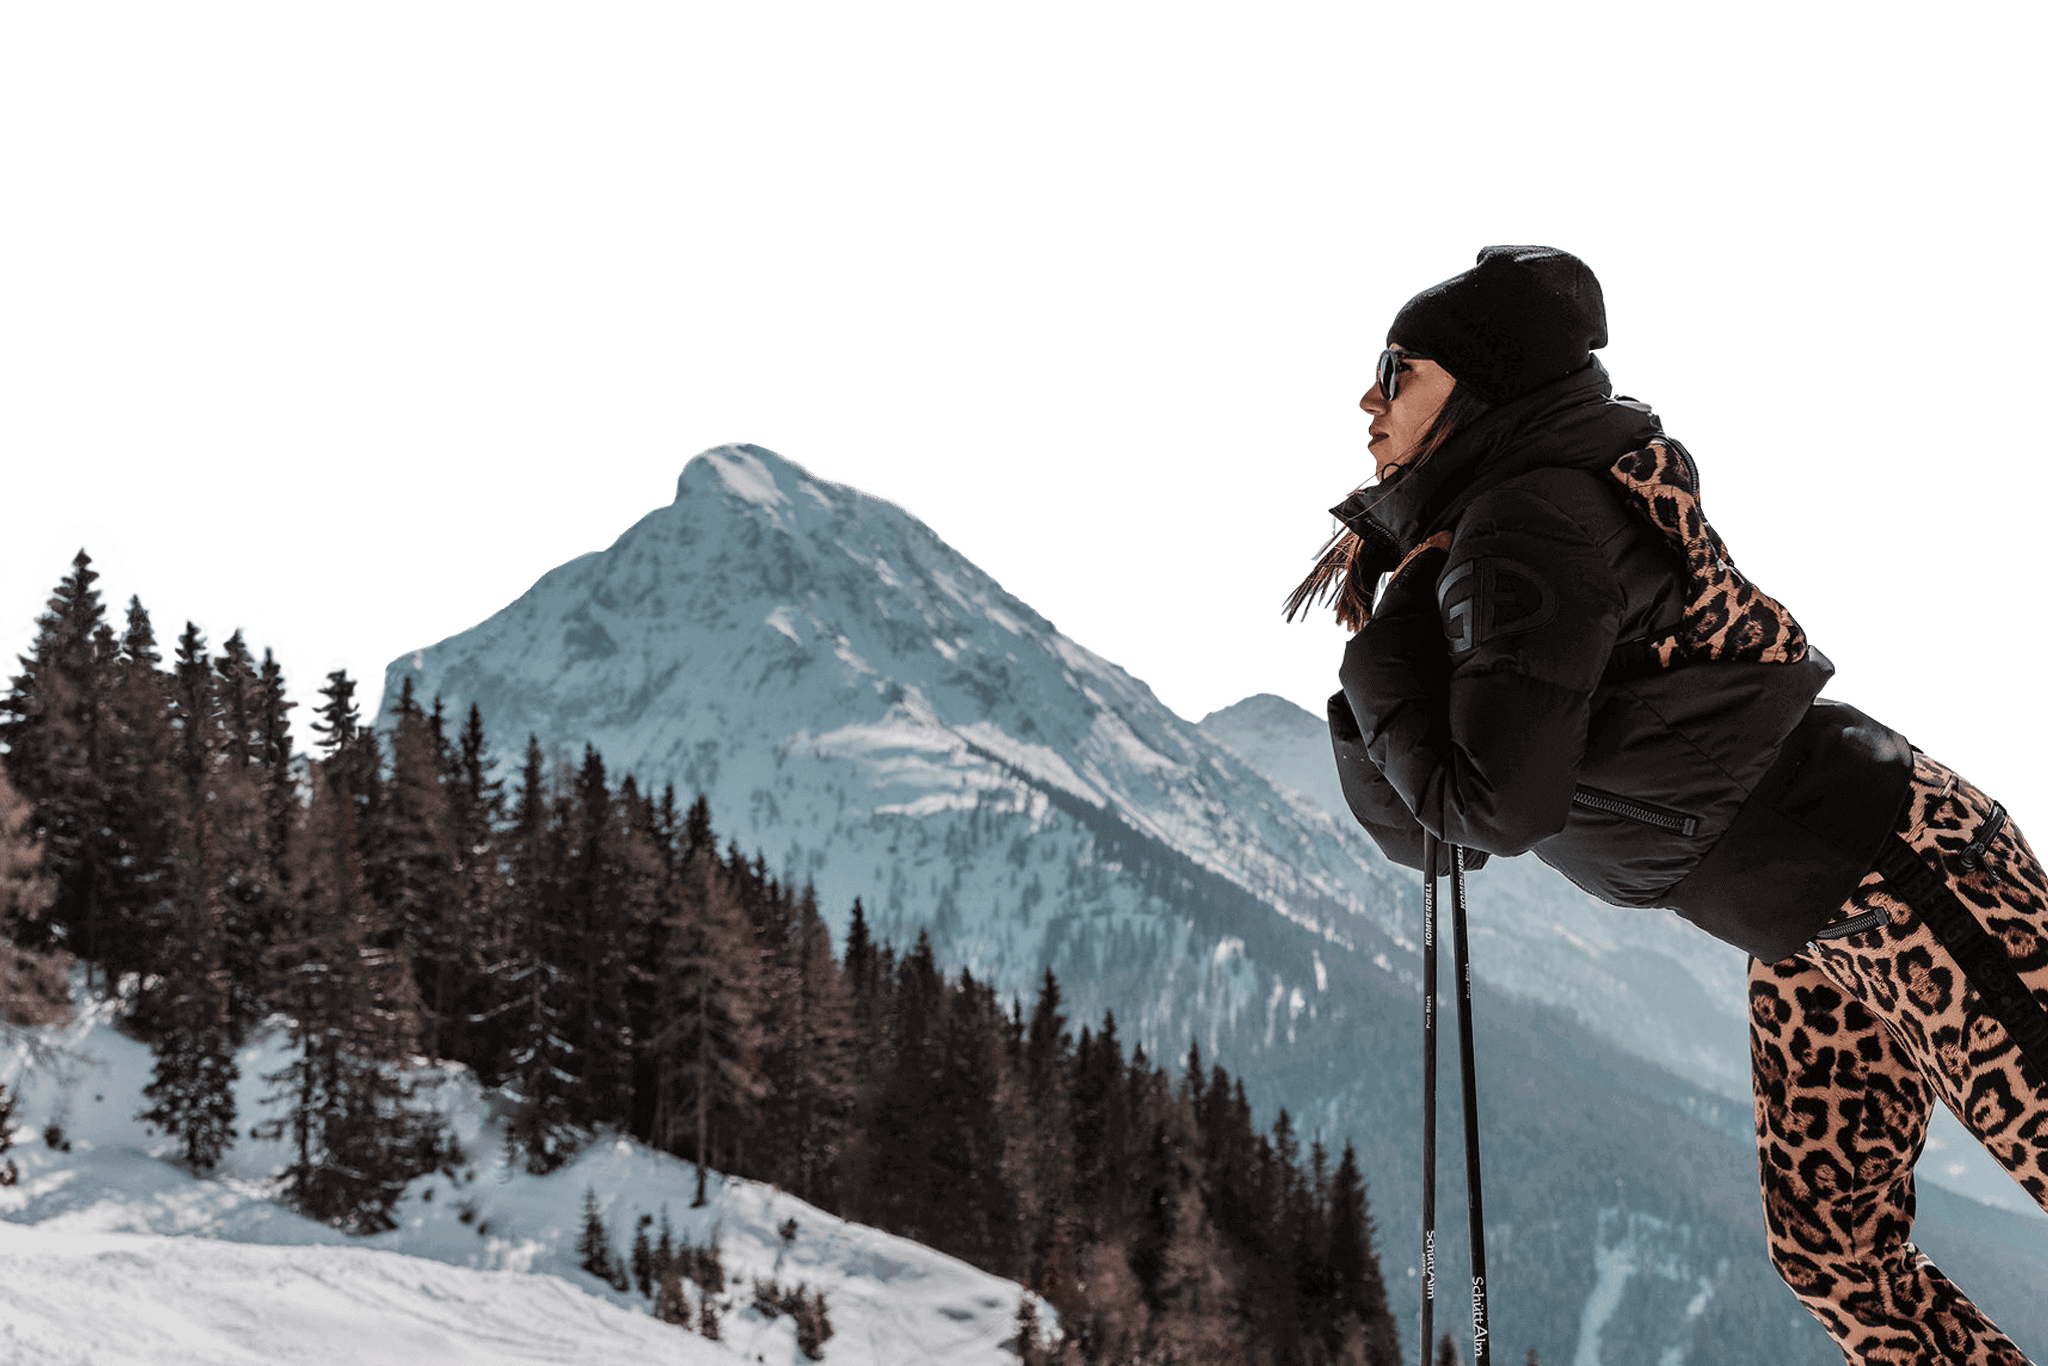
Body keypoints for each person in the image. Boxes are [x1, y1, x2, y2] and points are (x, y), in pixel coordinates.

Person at [1284, 245, 2048, 1365]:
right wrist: (1376, 650)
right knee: (1832, 1252)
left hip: (1894, 862)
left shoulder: (1529, 520)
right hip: (1803, 928)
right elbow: (1436, 837)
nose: (1368, 396)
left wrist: (1387, 646)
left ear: (1481, 384)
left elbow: (1497, 810)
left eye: (1397, 369)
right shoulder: (1477, 534)